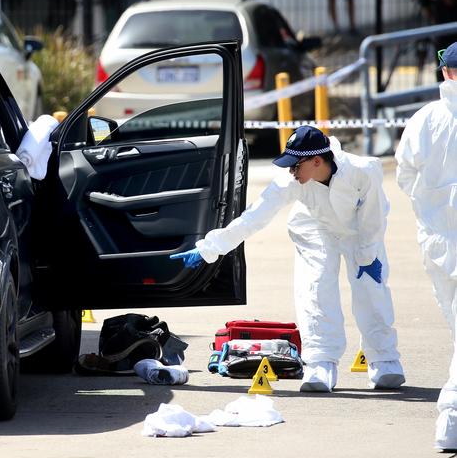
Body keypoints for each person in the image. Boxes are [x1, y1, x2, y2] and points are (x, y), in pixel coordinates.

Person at [171, 126, 405, 393]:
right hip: (315, 227)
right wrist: (209, 248)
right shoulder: (290, 180)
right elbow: (254, 217)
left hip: (360, 230)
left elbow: (372, 219)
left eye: (296, 164)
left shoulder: (364, 170)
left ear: (317, 161)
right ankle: (321, 362)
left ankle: (385, 359)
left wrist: (366, 256)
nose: (291, 170)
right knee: (315, 289)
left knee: (372, 291)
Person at [395, 41, 457, 451]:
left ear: (444, 73)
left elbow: (404, 176)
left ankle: (450, 423)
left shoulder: (424, 119)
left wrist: (433, 206)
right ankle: (450, 419)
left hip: (437, 242)